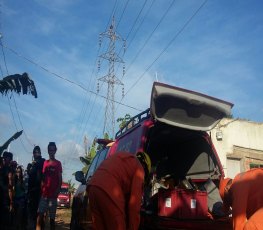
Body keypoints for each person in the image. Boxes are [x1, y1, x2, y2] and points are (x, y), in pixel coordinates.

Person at [87, 151, 151, 230]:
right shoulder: (139, 169)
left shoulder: (124, 158)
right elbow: (134, 206)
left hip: (92, 187)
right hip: (108, 189)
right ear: (145, 167)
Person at [36, 142, 62, 230]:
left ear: (55, 150)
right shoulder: (45, 163)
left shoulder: (58, 163)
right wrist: (42, 188)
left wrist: (57, 191)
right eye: (50, 149)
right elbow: (43, 177)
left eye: (53, 149)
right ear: (48, 151)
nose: (51, 151)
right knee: (39, 216)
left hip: (53, 196)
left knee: (52, 220)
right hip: (44, 195)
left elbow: (60, 178)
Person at [27, 146, 45, 229]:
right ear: (33, 154)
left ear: (40, 153)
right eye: (35, 152)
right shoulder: (31, 165)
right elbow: (30, 178)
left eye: (38, 152)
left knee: (40, 214)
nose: (36, 154)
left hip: (40, 192)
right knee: (33, 214)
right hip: (32, 192)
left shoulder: (43, 161)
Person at [0, 151, 15, 229]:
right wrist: (11, 202)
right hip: (5, 199)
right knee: (5, 222)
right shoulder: (9, 171)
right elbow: (10, 187)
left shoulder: (4, 169)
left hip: (4, 198)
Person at [14, 165, 27, 230]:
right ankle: (17, 226)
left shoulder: (23, 180)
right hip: (15, 199)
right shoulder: (14, 180)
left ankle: (19, 227)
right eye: (17, 172)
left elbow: (25, 190)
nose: (18, 173)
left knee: (20, 215)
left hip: (21, 199)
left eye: (19, 172)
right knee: (15, 215)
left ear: (21, 172)